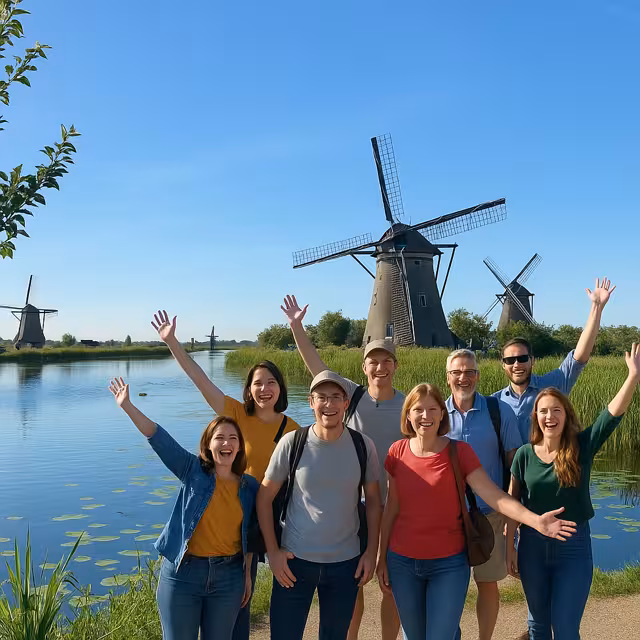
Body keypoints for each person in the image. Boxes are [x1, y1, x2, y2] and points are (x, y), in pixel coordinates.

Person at [376, 383, 577, 640]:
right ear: (408, 415)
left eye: (432, 409)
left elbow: (495, 496)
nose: (425, 416)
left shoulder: (459, 452)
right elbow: (391, 508)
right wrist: (382, 558)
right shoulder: (397, 452)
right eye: (418, 410)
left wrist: (535, 520)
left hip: (447, 564)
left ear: (441, 414)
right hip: (402, 561)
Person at [151, 310, 300, 639]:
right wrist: (172, 342)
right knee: (237, 601)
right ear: (248, 390)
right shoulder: (236, 413)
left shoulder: (293, 430)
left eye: (271, 382)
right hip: (233, 513)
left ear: (280, 388)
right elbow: (199, 379)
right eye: (257, 383)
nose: (264, 389)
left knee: (237, 612)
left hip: (264, 519)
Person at [282, 294, 403, 640]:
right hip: (358, 505)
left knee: (389, 583)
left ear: (395, 365)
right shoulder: (353, 396)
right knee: (355, 583)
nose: (380, 367)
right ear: (364, 367)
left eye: (386, 361)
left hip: (395, 505)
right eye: (373, 362)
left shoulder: (409, 403)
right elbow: (318, 368)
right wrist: (296, 326)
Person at [507, 343, 640, 639]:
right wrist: (509, 549)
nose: (549, 417)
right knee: (537, 626)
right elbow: (512, 504)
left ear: (566, 415)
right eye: (543, 411)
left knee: (566, 628)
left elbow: (611, 416)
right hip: (531, 548)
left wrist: (632, 376)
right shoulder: (524, 455)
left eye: (556, 410)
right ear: (536, 417)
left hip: (574, 548)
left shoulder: (581, 447)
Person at [108, 377, 258, 640]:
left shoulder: (249, 487)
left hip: (228, 578)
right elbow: (158, 437)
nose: (226, 443)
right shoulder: (192, 470)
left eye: (233, 438)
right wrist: (128, 406)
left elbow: (251, 535)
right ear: (208, 445)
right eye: (220, 438)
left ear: (239, 446)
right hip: (183, 575)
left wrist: (247, 574)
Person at [257, 370, 382, 640]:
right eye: (322, 397)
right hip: (294, 562)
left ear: (346, 403)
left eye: (336, 397)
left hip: (345, 564)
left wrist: (371, 553)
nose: (329, 405)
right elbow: (264, 498)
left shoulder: (363, 446)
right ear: (310, 402)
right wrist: (273, 553)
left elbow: (373, 502)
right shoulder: (292, 443)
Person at [444, 348, 523, 640]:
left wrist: (510, 515)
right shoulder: (435, 412)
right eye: (457, 372)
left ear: (477, 375)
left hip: (489, 515)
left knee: (487, 583)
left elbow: (515, 465)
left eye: (469, 372)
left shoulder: (498, 410)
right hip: (447, 518)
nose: (463, 378)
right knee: (448, 585)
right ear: (448, 376)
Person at [494, 277, 616, 443]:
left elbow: (578, 358)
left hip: (546, 468)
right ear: (503, 365)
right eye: (510, 360)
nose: (517, 364)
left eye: (522, 358)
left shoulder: (552, 385)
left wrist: (596, 308)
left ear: (532, 361)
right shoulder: (494, 402)